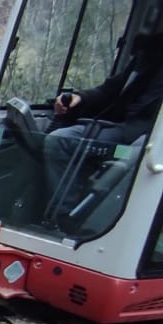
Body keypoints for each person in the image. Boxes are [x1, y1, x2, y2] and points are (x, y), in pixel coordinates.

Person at [43, 30, 163, 214]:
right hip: (119, 127)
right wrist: (80, 97)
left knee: (141, 158)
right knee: (58, 140)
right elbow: (110, 90)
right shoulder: (150, 55)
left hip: (149, 136)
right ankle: (65, 214)